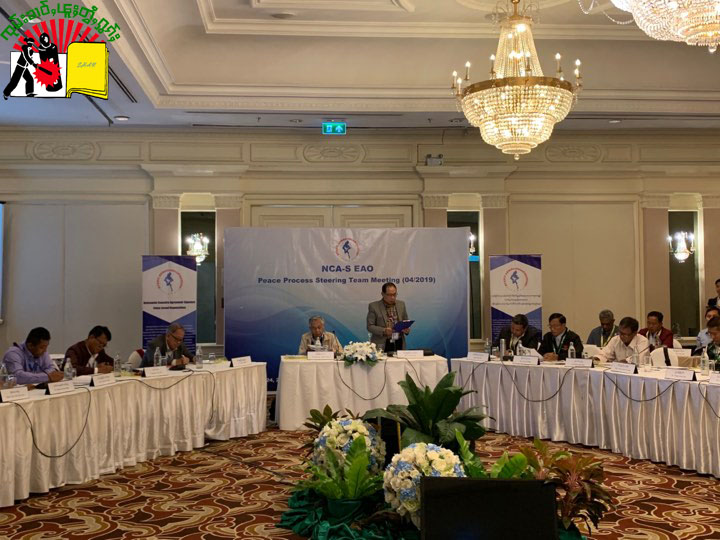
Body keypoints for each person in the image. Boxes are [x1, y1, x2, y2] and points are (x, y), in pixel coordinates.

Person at [367, 282, 410, 354]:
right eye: (389, 295)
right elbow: (370, 326)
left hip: (399, 342)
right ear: (383, 294)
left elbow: (406, 321)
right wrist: (384, 330)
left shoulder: (401, 304)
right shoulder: (374, 306)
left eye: (394, 294)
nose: (392, 297)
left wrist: (407, 329)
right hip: (383, 343)